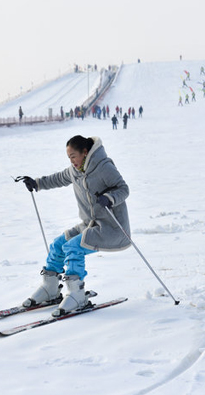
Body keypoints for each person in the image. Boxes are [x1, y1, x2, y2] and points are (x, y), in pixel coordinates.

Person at [18, 135, 130, 317]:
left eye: (73, 157)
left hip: (112, 228)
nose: (72, 162)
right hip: (90, 225)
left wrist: (110, 198)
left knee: (73, 247)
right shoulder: (75, 170)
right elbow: (58, 178)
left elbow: (123, 188)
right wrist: (37, 183)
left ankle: (77, 294)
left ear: (85, 153)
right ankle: (50, 288)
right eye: (69, 158)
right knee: (58, 244)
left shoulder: (103, 167)